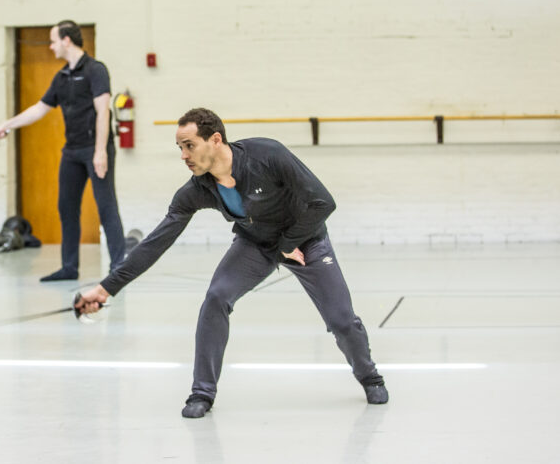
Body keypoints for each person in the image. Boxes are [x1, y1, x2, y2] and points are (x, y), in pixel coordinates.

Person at [75, 108, 388, 418]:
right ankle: (202, 392)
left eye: (189, 145)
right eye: (180, 148)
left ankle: (370, 377)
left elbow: (322, 202)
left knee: (341, 320)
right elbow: (156, 242)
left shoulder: (267, 154)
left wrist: (288, 244)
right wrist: (106, 288)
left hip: (305, 240)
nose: (184, 155)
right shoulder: (197, 189)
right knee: (216, 298)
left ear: (215, 139)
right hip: (255, 244)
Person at [0, 20, 126, 281]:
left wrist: (100, 152)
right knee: (66, 207)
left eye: (53, 41)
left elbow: (103, 112)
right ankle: (69, 267)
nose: (51, 46)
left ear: (67, 40)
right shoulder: (61, 77)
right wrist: (6, 126)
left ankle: (119, 267)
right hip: (72, 151)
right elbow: (39, 109)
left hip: (95, 148)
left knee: (106, 206)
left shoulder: (96, 70)